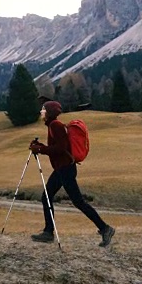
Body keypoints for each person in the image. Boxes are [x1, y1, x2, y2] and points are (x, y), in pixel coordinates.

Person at [29, 100, 115, 247]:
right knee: (47, 197)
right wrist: (41, 147)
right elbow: (57, 147)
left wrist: (41, 149)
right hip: (62, 169)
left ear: (49, 112)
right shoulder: (53, 125)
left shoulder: (55, 125)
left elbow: (61, 148)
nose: (41, 112)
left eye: (43, 110)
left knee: (77, 201)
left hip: (65, 169)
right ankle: (48, 232)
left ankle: (105, 228)